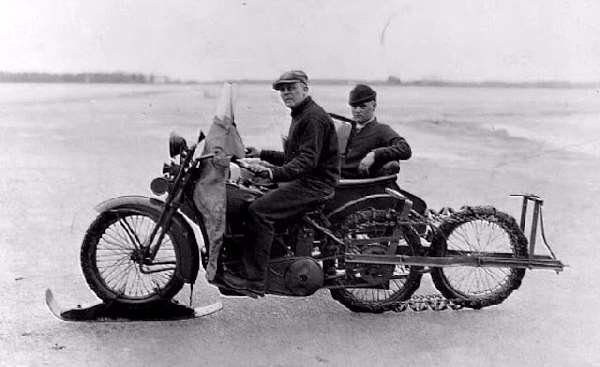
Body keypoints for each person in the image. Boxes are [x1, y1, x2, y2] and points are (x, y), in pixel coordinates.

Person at [218, 70, 340, 296]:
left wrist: (272, 174)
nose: (285, 93)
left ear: (305, 87)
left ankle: (254, 280)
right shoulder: (301, 114)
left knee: (259, 211)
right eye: (282, 90)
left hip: (315, 184)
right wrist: (261, 155)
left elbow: (306, 161)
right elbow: (294, 156)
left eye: (291, 88)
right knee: (251, 198)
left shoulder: (313, 117)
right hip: (306, 179)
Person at [341, 84, 411, 178]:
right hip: (334, 178)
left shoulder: (381, 130)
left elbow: (405, 149)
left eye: (362, 106)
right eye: (354, 106)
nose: (357, 111)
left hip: (357, 183)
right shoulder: (344, 127)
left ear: (373, 106)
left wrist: (374, 154)